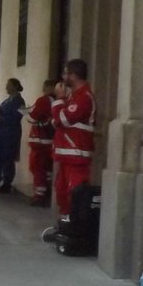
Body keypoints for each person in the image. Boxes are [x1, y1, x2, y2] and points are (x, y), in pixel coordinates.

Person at [51, 58, 97, 229]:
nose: (63, 77)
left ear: (74, 75)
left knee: (75, 192)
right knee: (62, 191)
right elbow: (57, 121)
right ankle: (65, 226)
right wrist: (61, 107)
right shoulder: (72, 97)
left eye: (65, 73)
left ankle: (76, 227)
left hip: (77, 154)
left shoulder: (84, 97)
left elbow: (63, 118)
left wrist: (59, 99)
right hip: (65, 153)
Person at [0, 78, 25, 192]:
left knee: (8, 158)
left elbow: (16, 117)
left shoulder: (19, 101)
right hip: (0, 132)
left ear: (15, 86)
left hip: (11, 133)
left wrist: (2, 119)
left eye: (9, 85)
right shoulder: (7, 100)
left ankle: (7, 183)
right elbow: (0, 112)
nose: (6, 87)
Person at [26, 78, 59, 208]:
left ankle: (39, 195)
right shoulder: (57, 101)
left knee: (37, 168)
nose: (44, 89)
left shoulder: (43, 100)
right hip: (50, 140)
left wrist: (29, 113)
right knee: (48, 169)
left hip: (39, 140)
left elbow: (31, 117)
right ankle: (48, 192)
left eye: (45, 87)